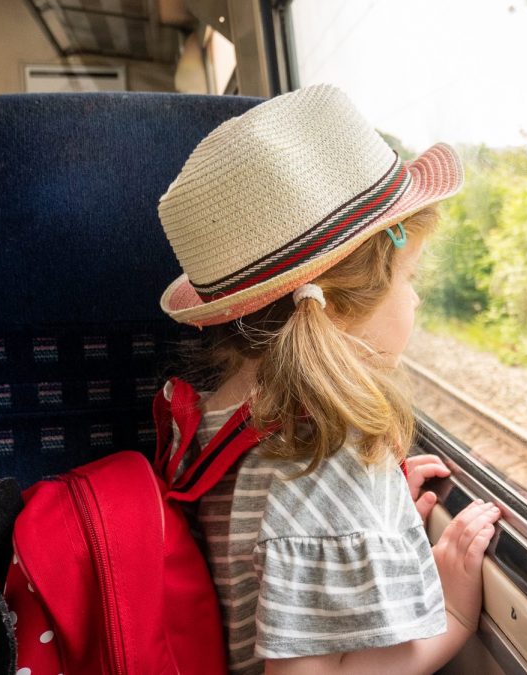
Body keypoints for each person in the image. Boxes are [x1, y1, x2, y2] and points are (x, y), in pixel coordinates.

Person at [154, 83, 501, 674]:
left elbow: (272, 566)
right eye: (409, 276)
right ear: (336, 308)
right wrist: (454, 620)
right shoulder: (324, 460)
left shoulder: (218, 417)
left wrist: (373, 535)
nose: (415, 298)